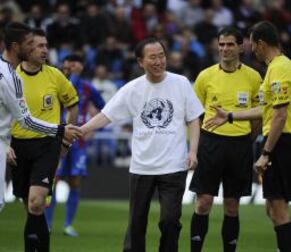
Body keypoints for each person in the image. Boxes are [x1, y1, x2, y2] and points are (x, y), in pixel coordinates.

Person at [79, 37, 204, 252]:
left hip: (174, 165)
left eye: (162, 56)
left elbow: (194, 118)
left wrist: (192, 151)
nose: (159, 61)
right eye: (153, 57)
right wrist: (82, 130)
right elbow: (106, 115)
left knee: (170, 221)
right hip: (141, 166)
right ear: (140, 62)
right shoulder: (132, 89)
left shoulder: (181, 83)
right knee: (136, 223)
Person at [204, 21, 291, 252]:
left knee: (279, 211)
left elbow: (279, 115)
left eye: (252, 45)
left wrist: (266, 153)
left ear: (261, 44)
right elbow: (267, 109)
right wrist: (230, 115)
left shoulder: (279, 69)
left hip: (282, 143)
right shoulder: (281, 66)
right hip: (283, 141)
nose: (252, 51)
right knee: (272, 210)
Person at [189, 27, 262, 252]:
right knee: (203, 203)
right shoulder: (205, 76)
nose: (225, 49)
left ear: (241, 47)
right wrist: (194, 146)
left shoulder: (253, 76)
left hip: (240, 145)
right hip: (210, 143)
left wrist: (248, 137)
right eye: (221, 44)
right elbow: (193, 114)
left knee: (232, 206)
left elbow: (260, 111)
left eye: (230, 44)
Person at [6, 28, 80, 252]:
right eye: (39, 46)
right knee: (30, 208)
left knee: (37, 201)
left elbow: (73, 104)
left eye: (46, 46)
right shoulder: (10, 77)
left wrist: (66, 141)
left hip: (47, 145)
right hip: (18, 146)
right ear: (25, 48)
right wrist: (5, 145)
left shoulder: (54, 75)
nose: (44, 50)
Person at [45, 54, 105, 237]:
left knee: (75, 181)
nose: (72, 64)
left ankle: (68, 225)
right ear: (63, 65)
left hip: (78, 141)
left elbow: (104, 108)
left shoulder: (87, 88)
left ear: (82, 66)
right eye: (68, 62)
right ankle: (46, 224)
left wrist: (94, 128)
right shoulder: (54, 82)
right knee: (52, 181)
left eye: (76, 62)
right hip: (56, 138)